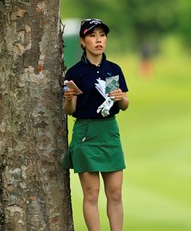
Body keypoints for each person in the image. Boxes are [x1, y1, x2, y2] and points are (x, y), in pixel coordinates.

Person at [62, 18, 130, 231]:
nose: (98, 40)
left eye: (102, 35)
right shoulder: (74, 73)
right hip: (86, 133)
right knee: (91, 194)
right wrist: (69, 98)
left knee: (116, 193)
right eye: (92, 35)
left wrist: (121, 98)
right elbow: (70, 110)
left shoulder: (113, 70)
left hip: (109, 132)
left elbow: (124, 104)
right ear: (83, 41)